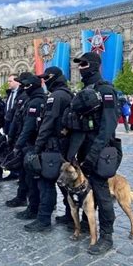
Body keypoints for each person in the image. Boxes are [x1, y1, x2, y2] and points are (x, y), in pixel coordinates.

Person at [66, 52, 121, 255]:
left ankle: (107, 236)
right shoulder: (86, 90)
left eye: (84, 63)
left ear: (95, 66)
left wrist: (92, 156)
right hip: (83, 150)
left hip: (99, 152)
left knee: (102, 193)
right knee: (81, 190)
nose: (80, 66)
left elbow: (107, 127)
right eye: (78, 63)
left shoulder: (106, 90)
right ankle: (84, 223)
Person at [26, 66, 73, 232]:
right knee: (65, 184)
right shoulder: (67, 94)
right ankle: (70, 216)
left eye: (47, 78)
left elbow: (48, 123)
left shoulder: (56, 96)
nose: (44, 81)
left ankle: (44, 219)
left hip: (52, 147)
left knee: (46, 183)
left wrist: (37, 148)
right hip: (65, 146)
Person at [6, 72, 46, 221]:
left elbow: (28, 126)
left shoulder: (35, 101)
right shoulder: (29, 98)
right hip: (27, 142)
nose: (22, 87)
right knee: (25, 175)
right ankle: (28, 203)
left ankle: (34, 208)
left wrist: (18, 144)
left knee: (32, 178)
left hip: (31, 143)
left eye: (24, 84)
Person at [2, 74, 22, 181]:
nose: (8, 83)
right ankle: (13, 171)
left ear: (17, 82)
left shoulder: (21, 93)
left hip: (18, 125)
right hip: (9, 124)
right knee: (11, 147)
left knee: (17, 148)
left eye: (10, 81)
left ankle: (19, 172)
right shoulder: (9, 93)